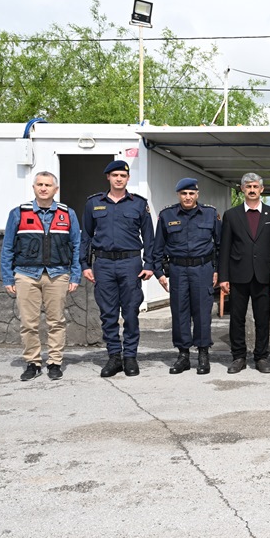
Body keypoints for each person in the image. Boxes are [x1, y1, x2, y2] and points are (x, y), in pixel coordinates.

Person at [1, 171, 81, 381]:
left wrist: (75, 275)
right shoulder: (18, 213)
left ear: (56, 189)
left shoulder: (67, 214)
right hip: (26, 275)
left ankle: (54, 362)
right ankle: (33, 363)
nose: (43, 188)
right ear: (34, 188)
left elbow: (76, 246)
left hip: (58, 274)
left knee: (57, 322)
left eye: (48, 185)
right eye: (39, 184)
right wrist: (8, 277)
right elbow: (7, 247)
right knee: (29, 323)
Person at [81, 160, 154, 378]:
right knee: (108, 314)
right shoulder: (94, 204)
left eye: (123, 175)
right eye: (115, 175)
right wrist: (85, 265)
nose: (119, 179)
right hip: (103, 264)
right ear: (108, 178)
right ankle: (114, 356)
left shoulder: (139, 204)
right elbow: (86, 236)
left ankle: (130, 356)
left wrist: (149, 264)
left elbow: (149, 237)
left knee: (131, 312)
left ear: (128, 178)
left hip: (130, 264)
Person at [151, 178, 220, 376]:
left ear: (197, 194)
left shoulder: (210, 214)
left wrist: (217, 270)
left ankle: (203, 354)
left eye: (191, 193)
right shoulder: (167, 215)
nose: (188, 197)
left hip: (203, 268)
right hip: (178, 270)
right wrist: (159, 272)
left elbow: (219, 245)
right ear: (178, 195)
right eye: (184, 193)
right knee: (180, 312)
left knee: (202, 312)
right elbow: (158, 247)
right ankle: (183, 355)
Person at [219, 173, 270, 374]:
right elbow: (225, 248)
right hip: (238, 275)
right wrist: (223, 277)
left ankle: (261, 357)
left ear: (261, 189)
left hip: (263, 276)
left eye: (255, 186)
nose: (252, 190)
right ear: (242, 189)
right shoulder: (231, 215)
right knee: (237, 318)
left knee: (262, 318)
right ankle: (238, 357)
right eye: (248, 187)